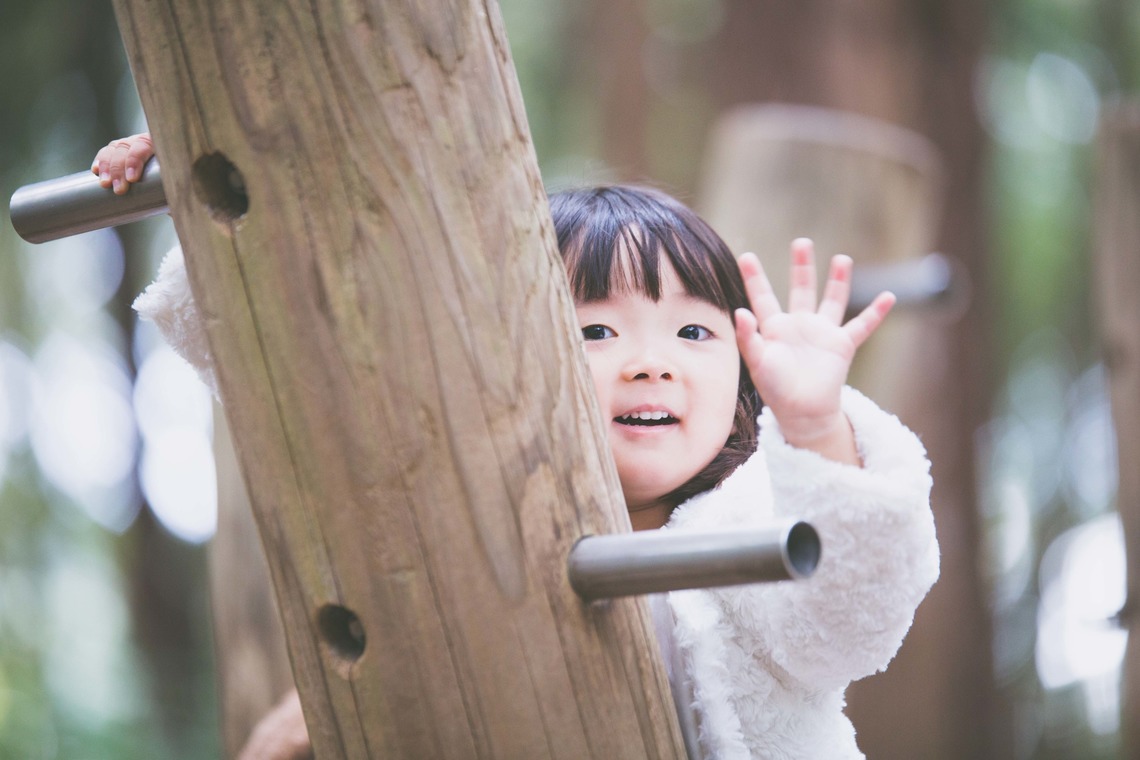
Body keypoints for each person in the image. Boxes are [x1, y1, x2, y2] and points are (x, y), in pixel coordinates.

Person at [94, 137, 939, 759]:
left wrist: (817, 430)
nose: (651, 361)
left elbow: (851, 619)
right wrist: (218, 183)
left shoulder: (750, 518)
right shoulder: (464, 506)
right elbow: (300, 375)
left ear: (742, 380)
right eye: (598, 329)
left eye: (692, 330)